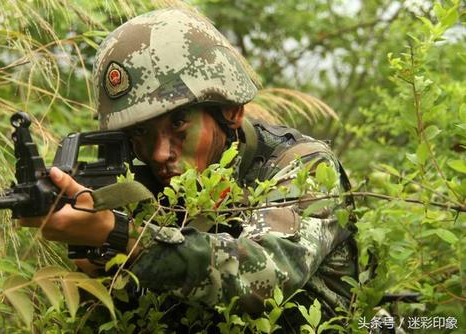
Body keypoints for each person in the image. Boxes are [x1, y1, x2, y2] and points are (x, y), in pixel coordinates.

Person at [21, 8, 358, 330]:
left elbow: (266, 279)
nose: (159, 153)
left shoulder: (299, 166)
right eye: (140, 133)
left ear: (231, 111)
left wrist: (125, 237)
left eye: (179, 123)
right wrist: (104, 272)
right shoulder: (140, 187)